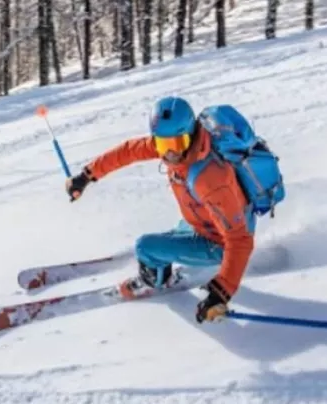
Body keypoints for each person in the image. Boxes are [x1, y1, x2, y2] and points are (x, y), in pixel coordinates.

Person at [64, 96, 253, 324]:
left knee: (145, 247)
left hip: (219, 242)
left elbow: (239, 239)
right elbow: (128, 151)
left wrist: (221, 292)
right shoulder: (181, 148)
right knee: (178, 230)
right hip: (213, 219)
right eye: (163, 145)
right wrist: (87, 176)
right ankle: (170, 253)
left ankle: (155, 281)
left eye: (176, 144)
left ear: (191, 135)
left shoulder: (210, 178)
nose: (169, 154)